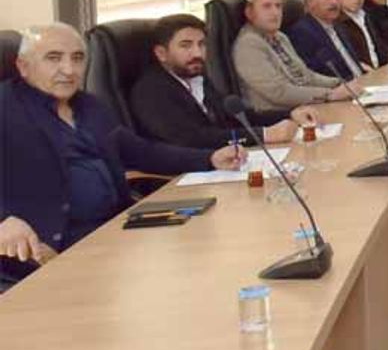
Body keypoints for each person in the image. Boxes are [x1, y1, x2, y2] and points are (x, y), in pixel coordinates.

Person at [1, 24, 243, 289]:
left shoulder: (89, 106)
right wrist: (4, 220)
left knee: (210, 259)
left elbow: (141, 151)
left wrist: (209, 159)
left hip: (116, 231)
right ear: (23, 66)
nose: (69, 70)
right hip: (50, 249)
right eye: (53, 58)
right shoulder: (6, 109)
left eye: (77, 58)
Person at [130, 14, 319, 149]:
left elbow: (238, 118)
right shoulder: (151, 91)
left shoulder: (196, 77)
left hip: (224, 162)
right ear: (161, 53)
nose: (197, 53)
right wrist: (263, 134)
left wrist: (290, 114)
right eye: (185, 46)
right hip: (183, 178)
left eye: (201, 44)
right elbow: (192, 139)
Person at [233, 0, 355, 111]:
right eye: (266, 6)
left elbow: (306, 76)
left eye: (278, 6)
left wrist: (340, 83)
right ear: (250, 13)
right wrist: (330, 94)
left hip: (303, 106)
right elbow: (278, 92)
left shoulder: (280, 37)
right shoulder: (249, 44)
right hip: (276, 115)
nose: (275, 12)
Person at [286, 0, 365, 81]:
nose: (334, 2)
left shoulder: (339, 26)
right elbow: (314, 73)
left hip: (362, 82)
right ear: (310, 2)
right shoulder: (302, 32)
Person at [335, 0, 388, 70]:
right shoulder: (336, 21)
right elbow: (341, 56)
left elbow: (377, 44)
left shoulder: (367, 15)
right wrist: (358, 65)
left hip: (380, 70)